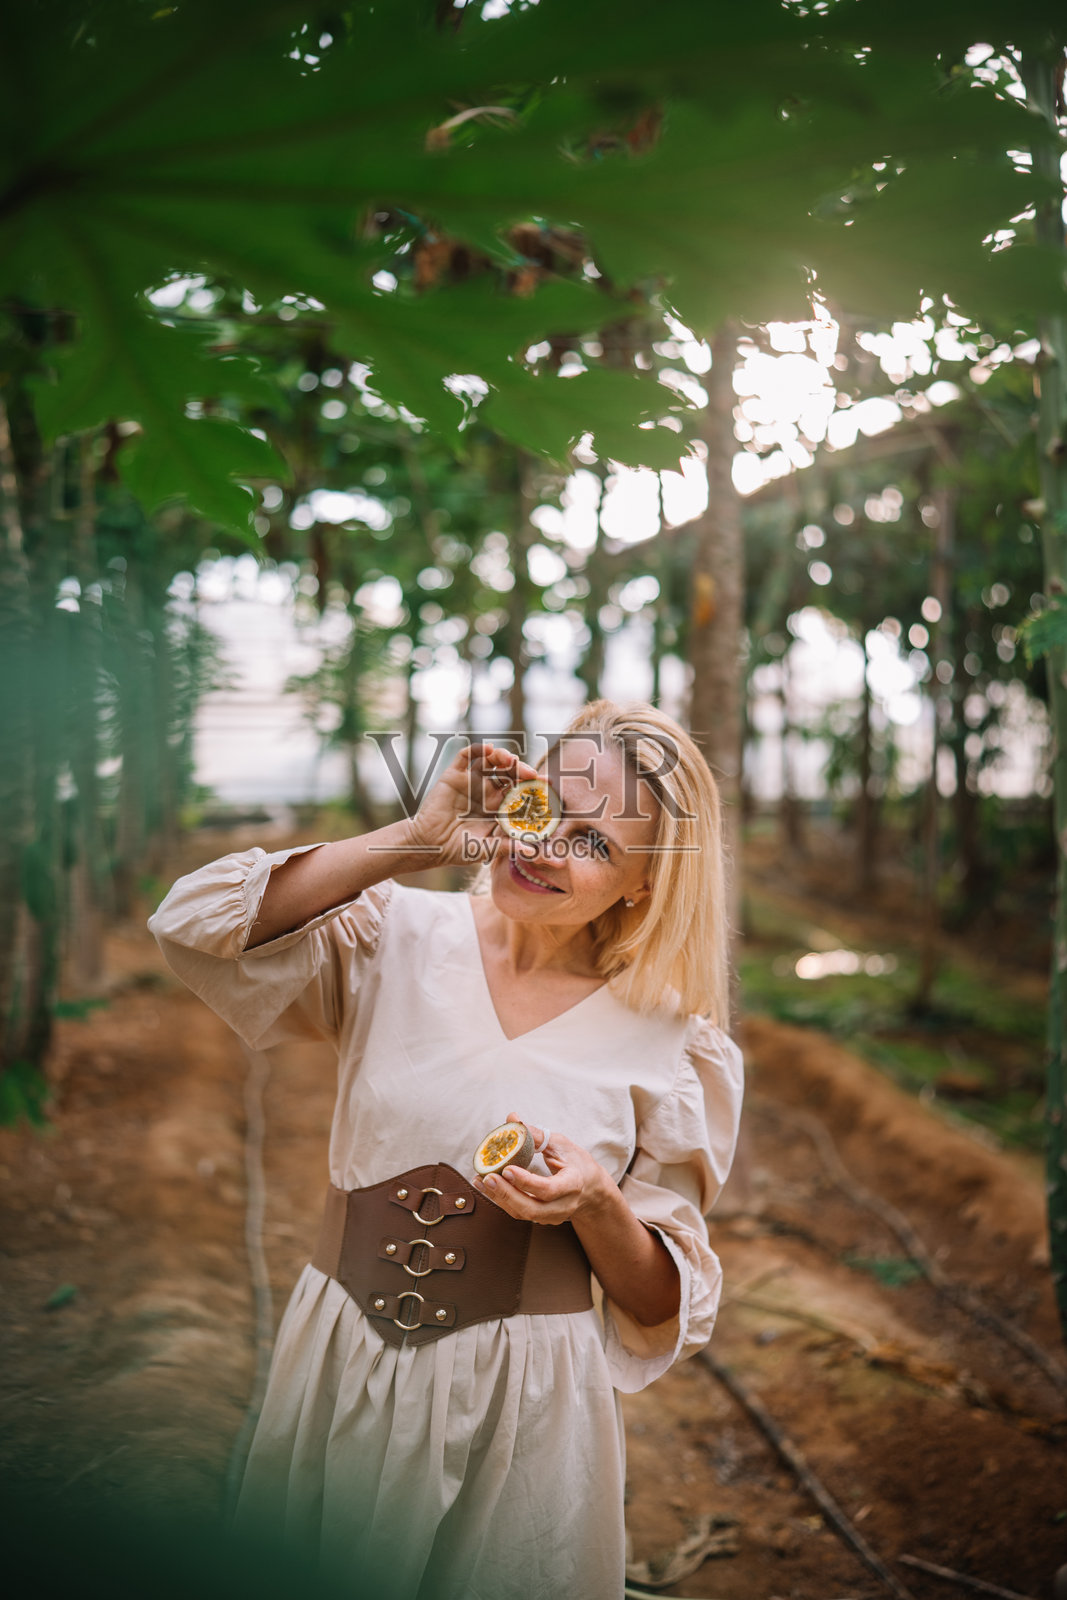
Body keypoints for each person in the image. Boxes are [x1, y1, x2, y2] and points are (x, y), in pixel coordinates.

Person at [148, 698, 743, 1600]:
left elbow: (661, 1301)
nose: (544, 847)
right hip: (344, 1357)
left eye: (593, 843)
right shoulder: (392, 933)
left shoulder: (671, 1045)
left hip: (522, 1399)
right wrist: (417, 840)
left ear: (644, 886)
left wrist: (596, 1205)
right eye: (545, 810)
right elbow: (194, 922)